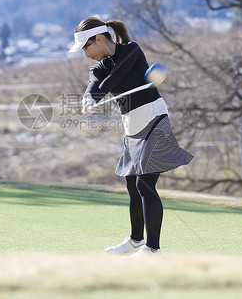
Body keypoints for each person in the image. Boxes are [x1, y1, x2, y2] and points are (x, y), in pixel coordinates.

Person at [68, 17, 193, 256]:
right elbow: (96, 82)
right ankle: (136, 240)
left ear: (99, 38)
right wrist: (88, 97)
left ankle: (152, 249)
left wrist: (97, 97)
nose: (86, 54)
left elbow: (115, 76)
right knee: (132, 184)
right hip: (132, 126)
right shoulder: (98, 66)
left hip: (154, 119)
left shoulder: (131, 50)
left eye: (86, 47)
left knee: (144, 182)